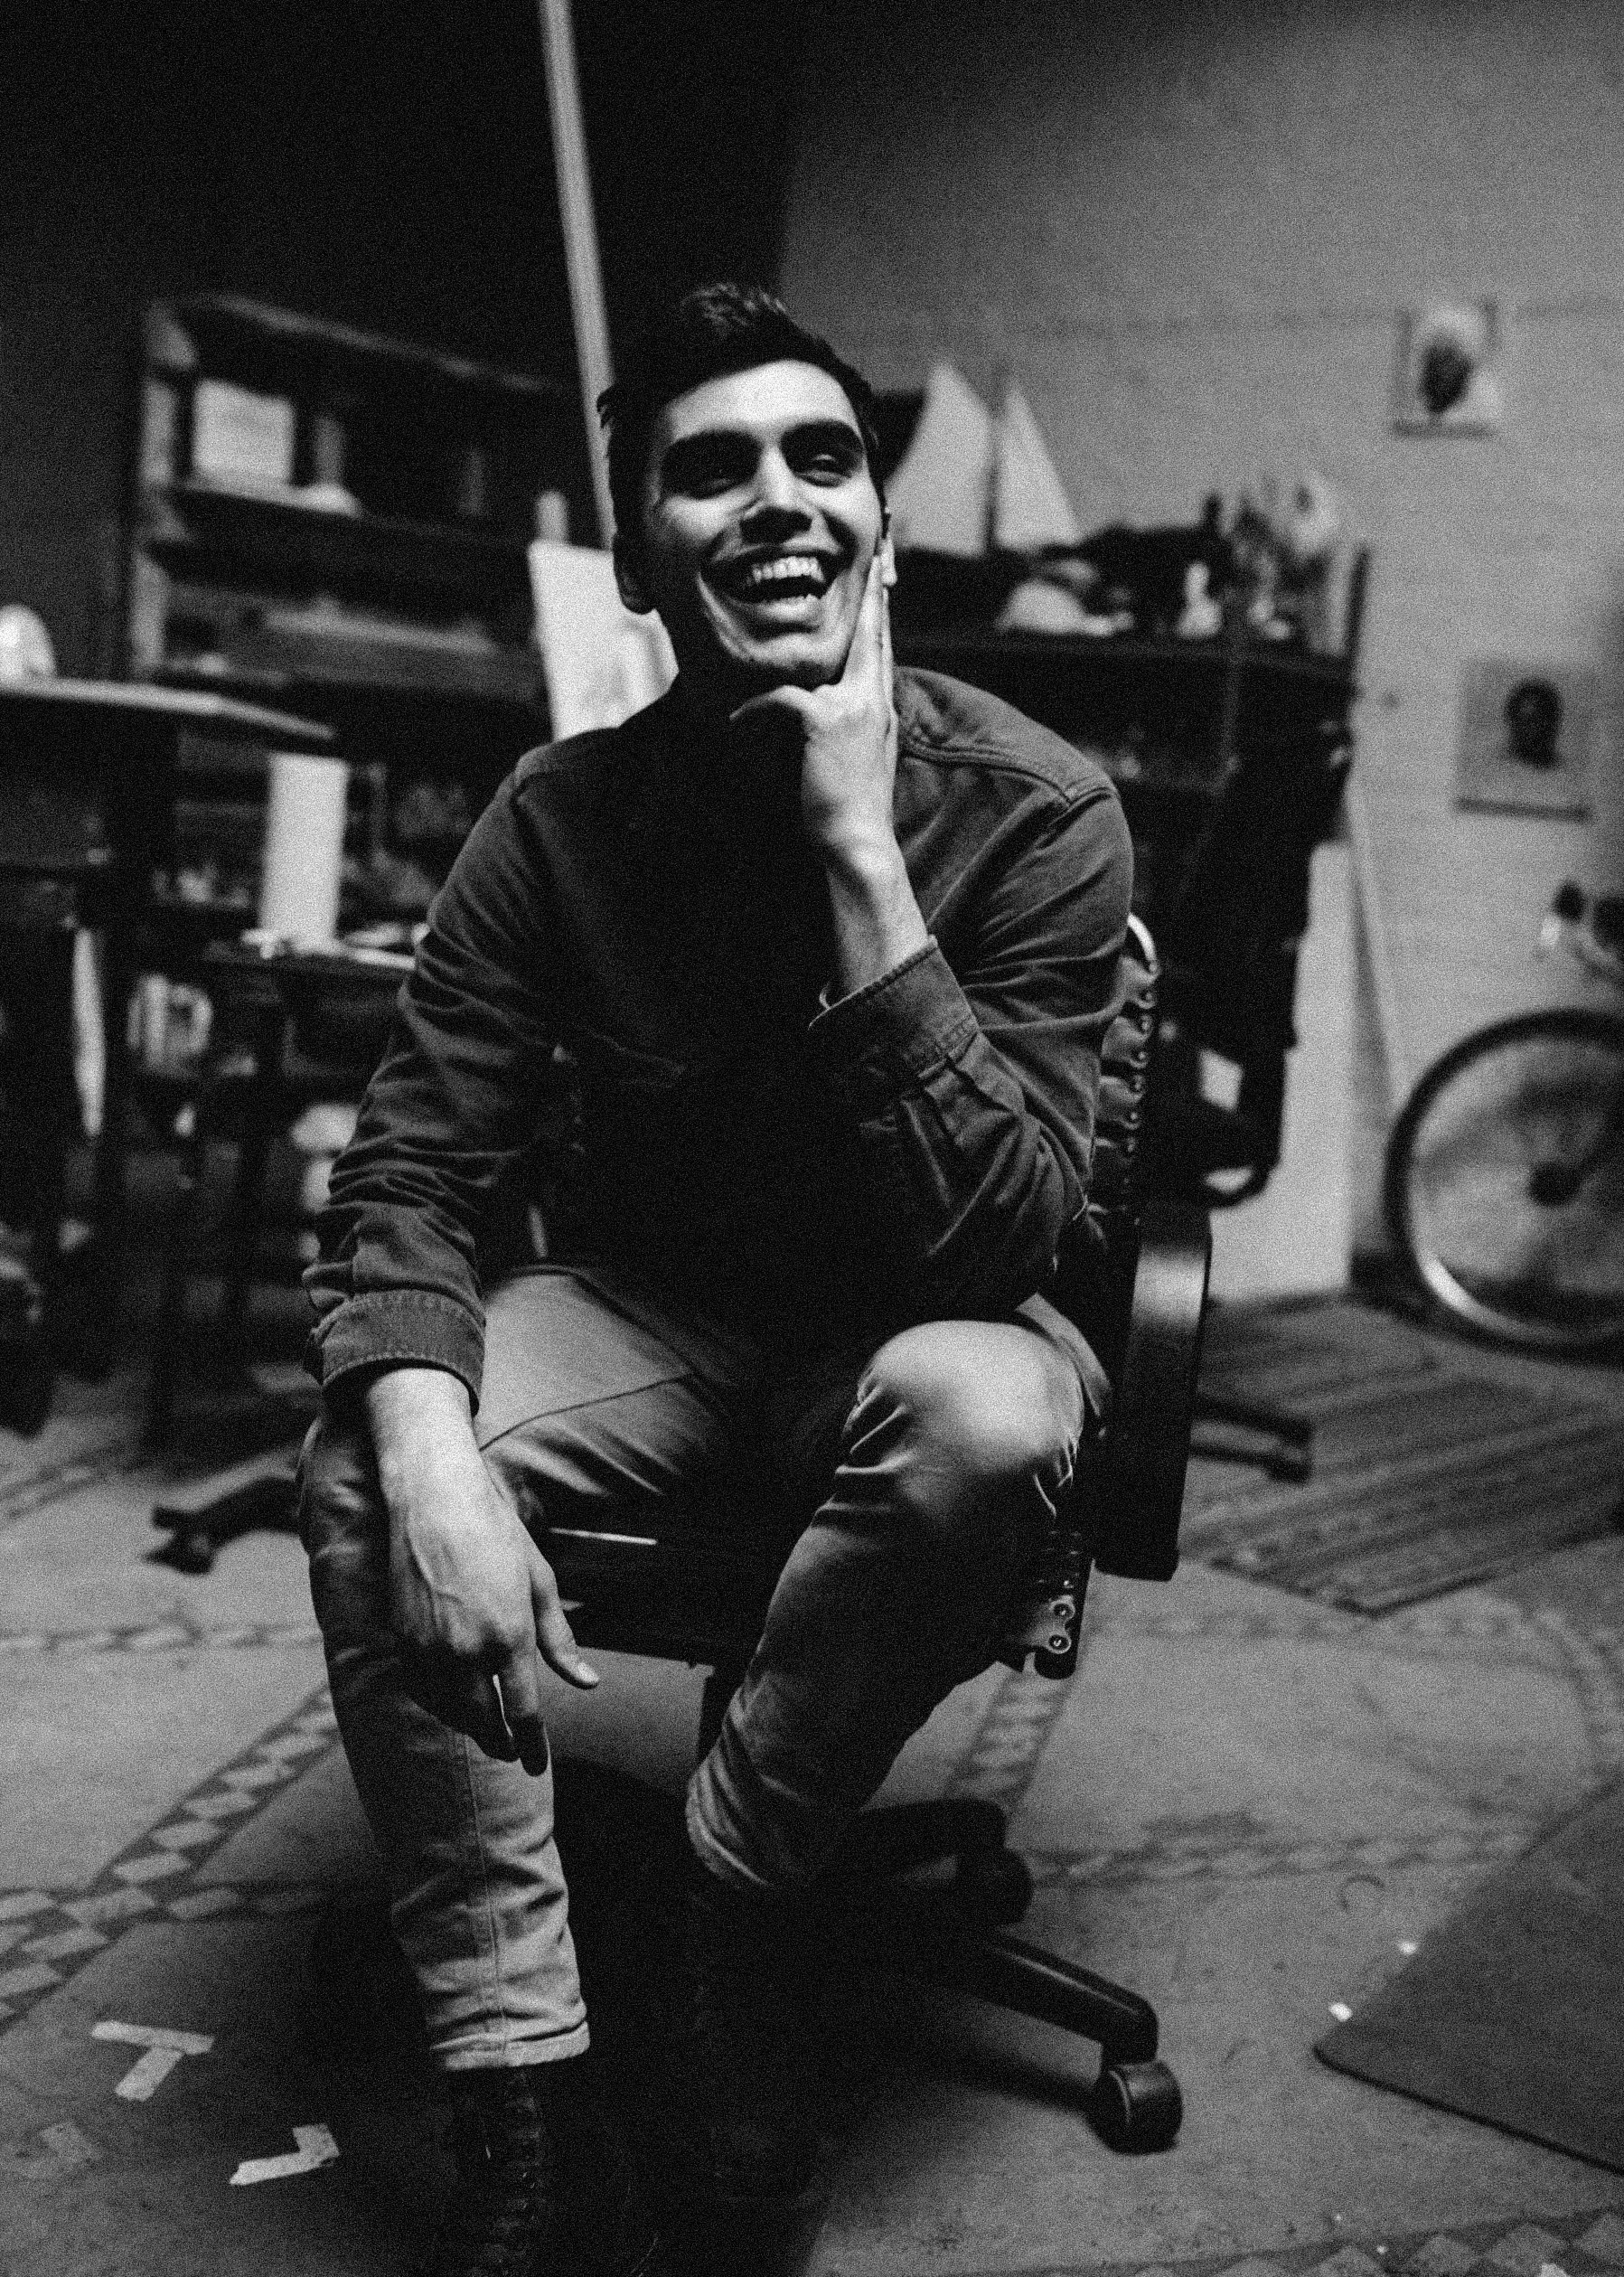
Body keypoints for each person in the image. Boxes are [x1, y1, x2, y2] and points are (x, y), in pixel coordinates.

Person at [298, 282, 1132, 2277]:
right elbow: (414, 1161)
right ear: (639, 558)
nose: (778, 499)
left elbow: (1003, 1242)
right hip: (661, 1321)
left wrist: (861, 853)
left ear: (880, 531)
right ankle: (521, 2070)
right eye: (713, 468)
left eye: (821, 458)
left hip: (919, 1325)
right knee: (372, 1457)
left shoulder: (1038, 810)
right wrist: (429, 1452)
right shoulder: (559, 817)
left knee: (984, 1409)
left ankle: (731, 1902)